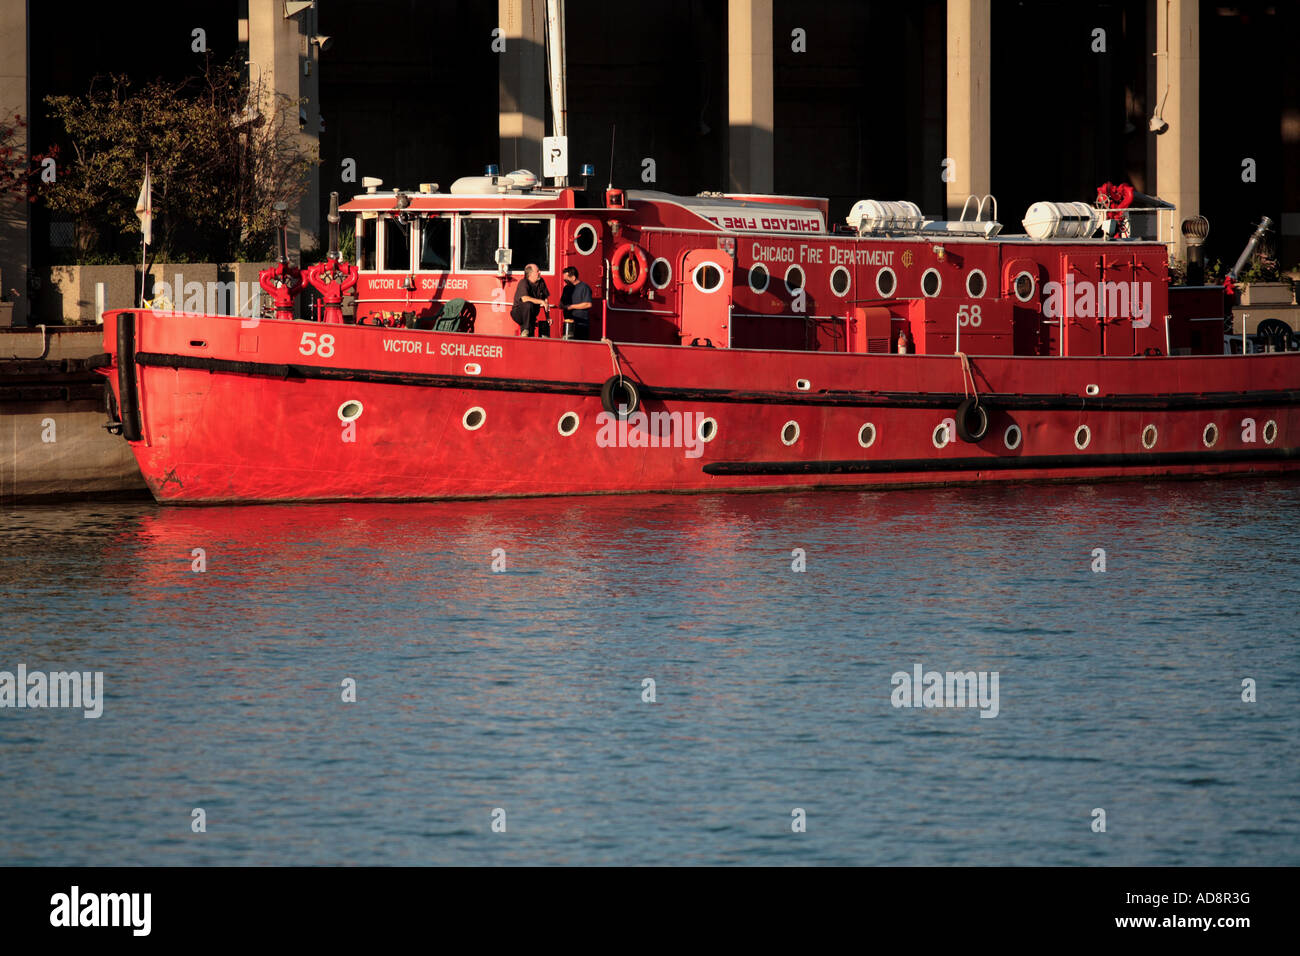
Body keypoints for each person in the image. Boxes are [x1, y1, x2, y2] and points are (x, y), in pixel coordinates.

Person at [510, 263, 550, 336]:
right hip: (518, 313)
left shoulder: (541, 282)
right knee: (528, 304)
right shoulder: (523, 282)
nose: (540, 272)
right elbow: (524, 298)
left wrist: (548, 317)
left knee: (530, 307)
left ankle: (529, 334)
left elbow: (546, 300)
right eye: (537, 271)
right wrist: (541, 301)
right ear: (530, 274)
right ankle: (525, 330)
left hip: (532, 312)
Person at [559, 266, 593, 339]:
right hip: (568, 323)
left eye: (566, 279)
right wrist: (562, 305)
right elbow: (561, 303)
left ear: (573, 277)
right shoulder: (566, 288)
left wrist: (571, 307)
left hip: (581, 324)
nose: (565, 281)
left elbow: (588, 304)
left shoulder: (584, 287)